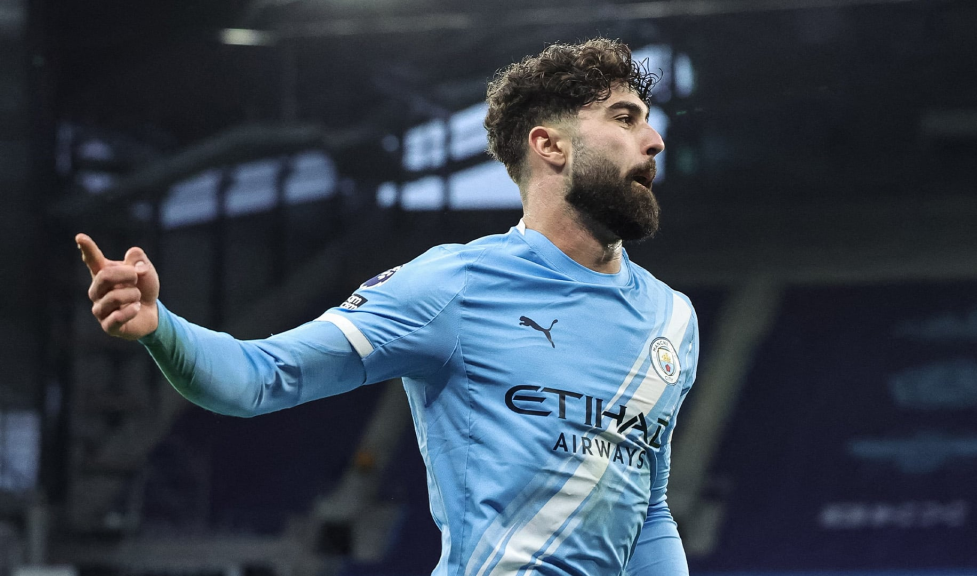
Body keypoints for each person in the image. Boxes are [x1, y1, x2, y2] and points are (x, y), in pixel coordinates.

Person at [77, 38, 698, 576]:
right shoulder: (454, 286)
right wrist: (160, 327)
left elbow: (648, 512)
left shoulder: (672, 319)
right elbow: (258, 379)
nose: (654, 140)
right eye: (625, 118)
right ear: (550, 146)